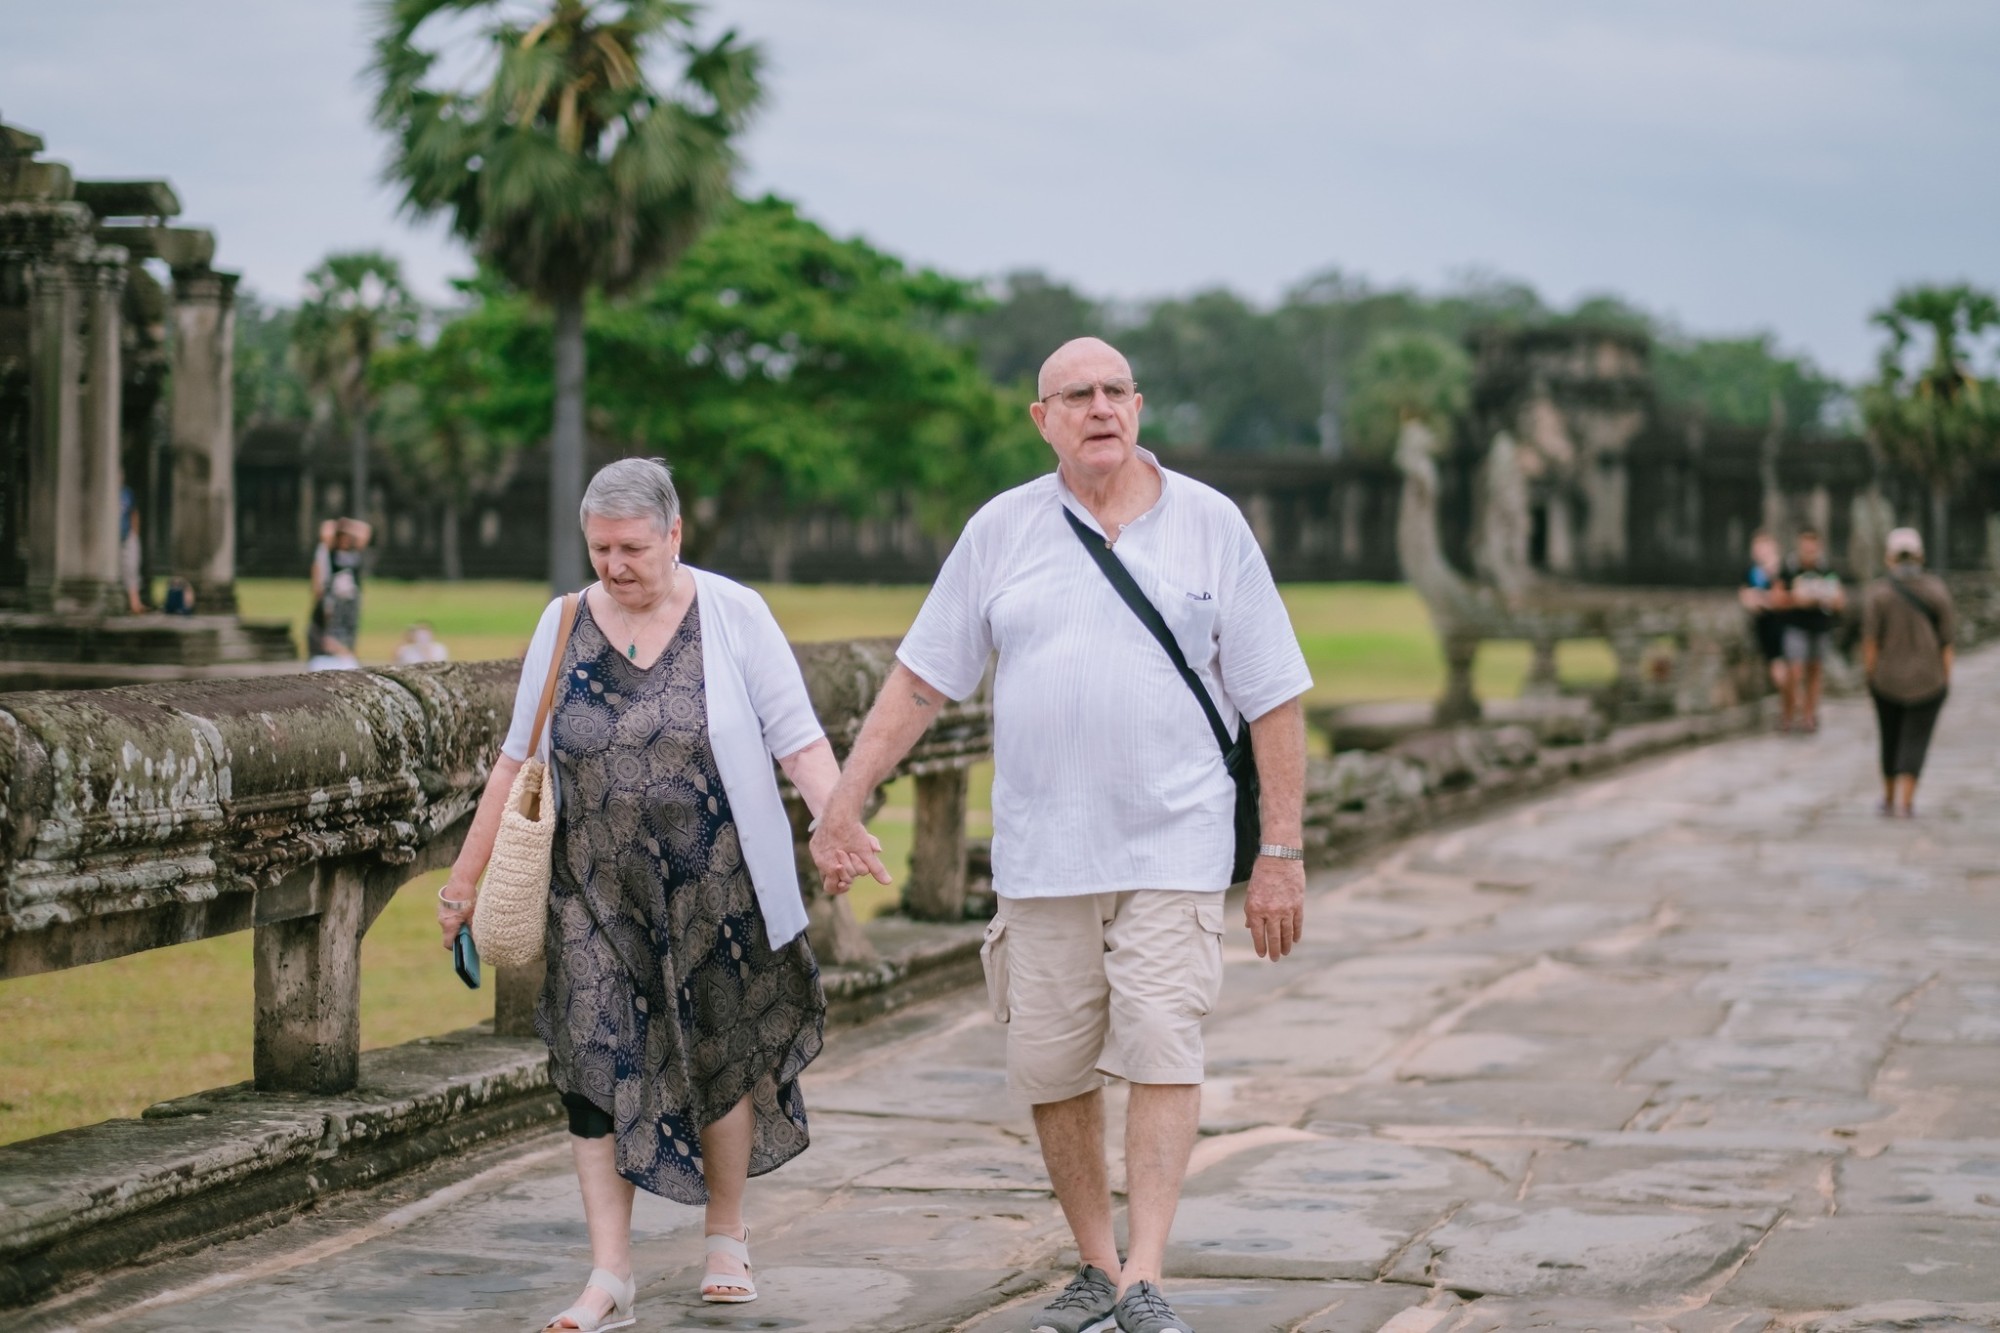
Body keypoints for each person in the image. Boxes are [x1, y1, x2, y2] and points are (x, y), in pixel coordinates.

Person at [811, 338, 1312, 1333]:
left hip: (1174, 843)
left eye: (1115, 390)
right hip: (1042, 855)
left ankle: (1144, 1276)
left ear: (1139, 405)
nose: (1099, 408)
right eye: (1076, 395)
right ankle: (1095, 1262)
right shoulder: (1001, 529)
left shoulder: (1209, 523)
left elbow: (1274, 697)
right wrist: (844, 797)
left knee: (1163, 1045)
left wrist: (1281, 854)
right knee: (1053, 1065)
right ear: (1042, 419)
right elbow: (922, 677)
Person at [435, 458, 860, 1330]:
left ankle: (726, 1234)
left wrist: (836, 819)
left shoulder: (734, 613)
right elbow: (515, 759)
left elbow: (798, 738)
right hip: (593, 893)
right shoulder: (562, 623)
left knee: (721, 1054)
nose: (616, 565)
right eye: (601, 549)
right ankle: (610, 1274)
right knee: (593, 1062)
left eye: (633, 547)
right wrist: (463, 881)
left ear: (674, 534)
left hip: (716, 887)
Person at [1861, 527, 1954, 818]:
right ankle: (1907, 802)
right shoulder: (1936, 590)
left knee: (1889, 737)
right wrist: (1946, 678)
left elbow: (1870, 642)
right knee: (1916, 739)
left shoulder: (1879, 593)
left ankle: (1889, 798)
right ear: (1920, 556)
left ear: (1889, 558)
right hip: (1928, 679)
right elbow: (1947, 642)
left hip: (1887, 678)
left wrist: (1870, 675)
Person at [1778, 528, 1845, 733]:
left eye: (1812, 546)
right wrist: (1796, 598)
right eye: (1805, 546)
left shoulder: (1827, 570)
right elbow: (1777, 598)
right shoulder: (1789, 568)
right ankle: (1788, 715)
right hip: (1796, 625)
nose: (1809, 550)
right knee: (1794, 671)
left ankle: (1809, 716)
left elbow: (1840, 600)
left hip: (1820, 626)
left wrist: (1825, 597)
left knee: (1815, 671)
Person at [1738, 530, 1786, 713]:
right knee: (1775, 666)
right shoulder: (1753, 572)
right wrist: (1762, 599)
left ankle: (1792, 706)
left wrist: (1761, 598)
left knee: (1782, 667)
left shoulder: (1782, 570)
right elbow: (1747, 599)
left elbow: (1780, 599)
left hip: (1783, 624)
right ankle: (1789, 707)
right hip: (1764, 625)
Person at [311, 517, 371, 658]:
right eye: (342, 536)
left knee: (351, 628)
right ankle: (332, 654)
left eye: (347, 537)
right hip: (336, 597)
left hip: (351, 597)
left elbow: (366, 531)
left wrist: (347, 524)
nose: (345, 540)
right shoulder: (332, 552)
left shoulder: (355, 552)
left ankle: (349, 655)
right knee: (333, 629)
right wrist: (339, 525)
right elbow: (325, 530)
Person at [118, 485, 144, 614]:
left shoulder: (127, 493)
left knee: (131, 567)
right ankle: (130, 602)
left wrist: (134, 533)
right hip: (112, 538)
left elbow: (134, 513)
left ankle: (135, 602)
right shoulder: (107, 493)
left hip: (127, 535)